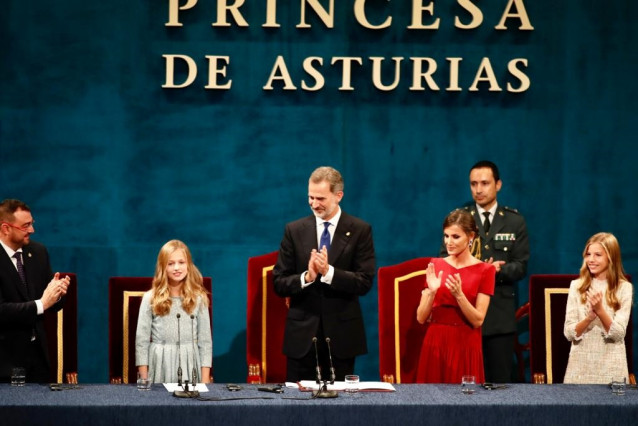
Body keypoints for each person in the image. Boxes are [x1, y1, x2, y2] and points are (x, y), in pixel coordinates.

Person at [273, 166, 376, 382]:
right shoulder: (294, 230)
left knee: (340, 409)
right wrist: (307, 277)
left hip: (342, 336)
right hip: (302, 336)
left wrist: (329, 273)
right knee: (297, 406)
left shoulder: (359, 230)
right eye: (310, 197)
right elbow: (279, 283)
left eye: (320, 198)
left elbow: (364, 282)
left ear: (339, 196)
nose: (313, 203)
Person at [442, 160, 529, 383]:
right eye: (473, 184)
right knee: (463, 383)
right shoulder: (461, 217)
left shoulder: (513, 220)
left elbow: (520, 266)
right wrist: (479, 271)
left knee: (499, 382)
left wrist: (494, 272)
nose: (478, 190)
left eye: (484, 183)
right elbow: (446, 260)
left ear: (498, 185)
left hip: (499, 315)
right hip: (464, 313)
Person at [417, 209, 495, 383]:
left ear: (471, 237)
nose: (449, 242)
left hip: (465, 343)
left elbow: (478, 320)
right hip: (435, 342)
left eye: (455, 237)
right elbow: (421, 318)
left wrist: (459, 295)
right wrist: (431, 292)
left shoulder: (486, 270)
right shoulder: (435, 265)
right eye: (446, 236)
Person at [0, 199, 70, 383]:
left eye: (32, 224)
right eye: (26, 226)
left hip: (38, 361)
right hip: (5, 362)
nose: (32, 230)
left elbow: (52, 304)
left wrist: (58, 293)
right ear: (6, 228)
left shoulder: (38, 252)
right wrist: (42, 304)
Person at [135, 240, 212, 384]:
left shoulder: (199, 298)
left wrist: (205, 380)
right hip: (160, 362)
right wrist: (144, 379)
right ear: (163, 267)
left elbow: (205, 342)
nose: (177, 268)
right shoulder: (150, 298)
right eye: (170, 263)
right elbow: (141, 342)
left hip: (190, 362)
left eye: (181, 262)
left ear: (188, 265)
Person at [563, 233, 633, 384]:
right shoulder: (577, 286)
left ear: (611, 257)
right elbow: (569, 333)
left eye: (597, 255)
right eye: (588, 254)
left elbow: (618, 334)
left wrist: (600, 311)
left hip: (612, 370)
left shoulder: (624, 288)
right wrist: (589, 318)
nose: (591, 260)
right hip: (579, 371)